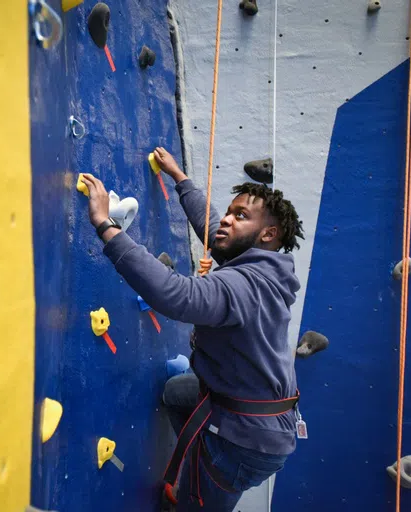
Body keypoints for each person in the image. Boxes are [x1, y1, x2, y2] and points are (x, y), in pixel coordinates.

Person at [78, 146, 304, 512]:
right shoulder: (264, 264)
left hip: (245, 442)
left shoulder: (244, 285)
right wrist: (180, 179)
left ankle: (194, 494)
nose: (227, 220)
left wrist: (106, 226)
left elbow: (175, 295)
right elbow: (213, 228)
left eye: (240, 216)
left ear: (269, 234)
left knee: (195, 505)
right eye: (231, 212)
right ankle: (198, 467)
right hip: (256, 415)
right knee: (176, 391)